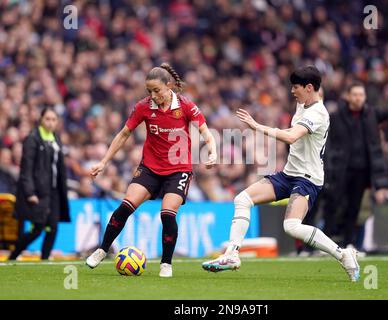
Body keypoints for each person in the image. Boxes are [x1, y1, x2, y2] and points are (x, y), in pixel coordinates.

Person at [202, 66, 360, 282]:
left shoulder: (317, 114)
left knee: (291, 226)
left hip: (307, 179)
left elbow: (292, 136)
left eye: (295, 87)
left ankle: (343, 255)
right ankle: (231, 255)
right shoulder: (304, 103)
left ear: (309, 87)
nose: (292, 91)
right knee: (242, 199)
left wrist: (257, 126)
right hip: (288, 174)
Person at [86, 63, 217, 277]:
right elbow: (123, 134)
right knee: (126, 205)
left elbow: (206, 133)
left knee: (167, 213)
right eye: (149, 91)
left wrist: (213, 152)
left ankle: (166, 263)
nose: (153, 95)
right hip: (150, 167)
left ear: (169, 86)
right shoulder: (143, 107)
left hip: (178, 170)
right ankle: (102, 250)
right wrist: (103, 162)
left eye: (156, 90)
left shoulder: (185, 106)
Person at [320, 82, 388, 249]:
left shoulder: (371, 114)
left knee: (354, 208)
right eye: (355, 94)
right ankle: (323, 244)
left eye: (361, 95)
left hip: (362, 171)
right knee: (334, 205)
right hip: (340, 170)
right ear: (348, 96)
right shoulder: (336, 116)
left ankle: (348, 244)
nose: (358, 98)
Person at [9, 107, 70, 260]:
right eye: (47, 119)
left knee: (53, 227)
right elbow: (26, 168)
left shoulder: (56, 139)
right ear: (41, 120)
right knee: (38, 227)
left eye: (53, 119)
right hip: (39, 190)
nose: (50, 123)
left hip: (55, 191)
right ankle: (14, 254)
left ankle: (44, 258)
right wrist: (30, 192)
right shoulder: (33, 139)